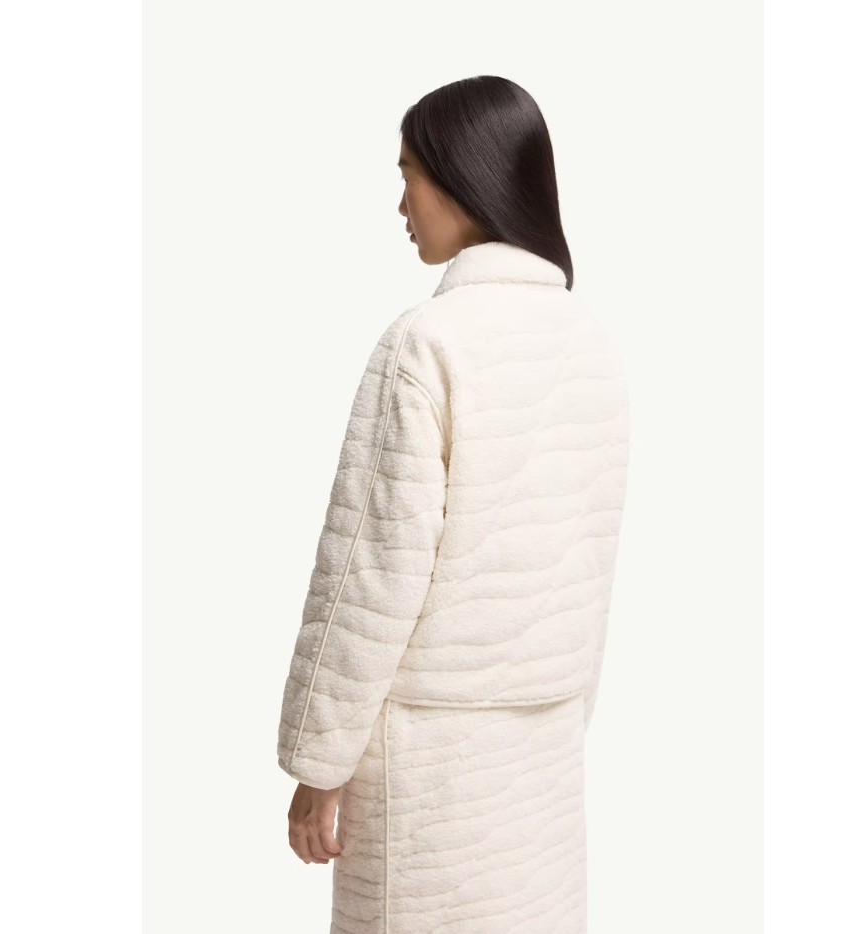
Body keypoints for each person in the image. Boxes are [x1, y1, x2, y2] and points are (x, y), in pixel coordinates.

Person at [277, 75, 630, 933]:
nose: (402, 204)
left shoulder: (427, 344)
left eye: (410, 175)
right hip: (543, 752)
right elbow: (589, 565)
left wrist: (319, 761)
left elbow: (369, 571)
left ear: (463, 176)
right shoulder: (589, 342)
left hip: (427, 770)